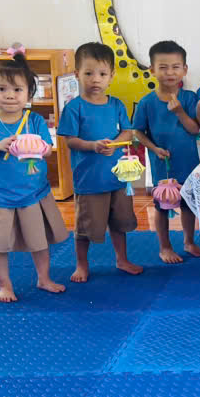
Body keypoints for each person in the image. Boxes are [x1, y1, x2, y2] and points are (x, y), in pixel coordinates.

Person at [0, 52, 68, 302]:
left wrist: (37, 146)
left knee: (40, 241)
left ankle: (44, 278)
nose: (10, 95)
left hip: (33, 193)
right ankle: (4, 285)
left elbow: (48, 149)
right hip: (0, 196)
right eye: (2, 88)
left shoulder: (34, 120)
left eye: (17, 89)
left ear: (29, 93)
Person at [58, 42, 142, 282]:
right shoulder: (74, 108)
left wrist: (114, 143)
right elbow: (70, 140)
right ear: (77, 74)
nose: (96, 79)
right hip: (89, 180)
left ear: (111, 76)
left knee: (120, 223)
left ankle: (122, 259)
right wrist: (92, 146)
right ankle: (81, 264)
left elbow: (127, 131)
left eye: (102, 74)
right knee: (86, 227)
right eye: (88, 73)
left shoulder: (116, 104)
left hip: (117, 178)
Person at [131, 40, 200, 264]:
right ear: (152, 70)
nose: (170, 72)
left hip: (188, 162)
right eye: (163, 67)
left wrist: (180, 111)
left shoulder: (189, 98)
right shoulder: (147, 103)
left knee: (188, 203)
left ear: (184, 69)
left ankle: (189, 241)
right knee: (161, 206)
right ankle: (164, 247)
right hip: (162, 164)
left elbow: (195, 129)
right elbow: (137, 132)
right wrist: (154, 148)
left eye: (175, 67)